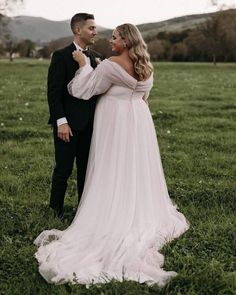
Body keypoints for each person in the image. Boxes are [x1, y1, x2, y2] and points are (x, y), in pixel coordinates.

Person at [34, 23, 189, 286]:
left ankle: (109, 209)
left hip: (115, 124)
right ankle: (131, 205)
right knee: (132, 168)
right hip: (138, 124)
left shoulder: (110, 64)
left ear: (126, 41)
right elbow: (144, 96)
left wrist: (84, 64)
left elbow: (85, 89)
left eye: (115, 38)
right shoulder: (146, 66)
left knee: (110, 167)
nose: (111, 41)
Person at [47, 13, 103, 218]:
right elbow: (53, 92)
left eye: (95, 28)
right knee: (63, 168)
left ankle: (84, 210)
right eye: (91, 28)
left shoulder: (97, 57)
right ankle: (55, 210)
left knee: (86, 169)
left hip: (91, 125)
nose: (95, 31)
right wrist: (61, 122)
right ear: (78, 30)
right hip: (67, 125)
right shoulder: (61, 56)